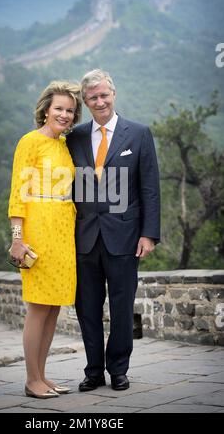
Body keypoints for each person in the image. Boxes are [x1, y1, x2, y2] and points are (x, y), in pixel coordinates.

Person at [66, 69, 160, 392]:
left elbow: (150, 188)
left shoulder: (138, 134)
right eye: (93, 97)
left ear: (113, 94)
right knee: (87, 307)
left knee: (122, 306)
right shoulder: (75, 137)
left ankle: (118, 369)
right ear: (86, 102)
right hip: (85, 239)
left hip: (125, 237)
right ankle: (93, 371)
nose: (100, 101)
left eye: (104, 95)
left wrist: (149, 234)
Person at [8, 81, 82, 399]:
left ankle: (42, 375)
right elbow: (18, 194)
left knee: (53, 308)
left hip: (64, 232)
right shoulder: (30, 142)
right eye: (59, 109)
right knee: (38, 307)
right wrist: (17, 238)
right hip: (37, 230)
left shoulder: (65, 146)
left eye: (69, 110)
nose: (64, 115)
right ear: (45, 110)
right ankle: (30, 379)